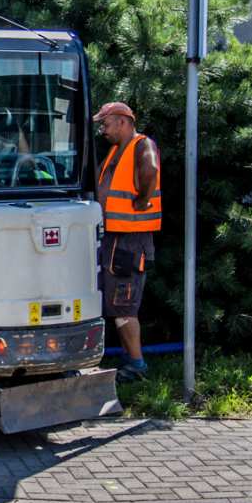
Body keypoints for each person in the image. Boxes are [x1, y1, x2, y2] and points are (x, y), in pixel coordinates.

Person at [94, 101, 161, 382]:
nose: (103, 130)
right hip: (114, 238)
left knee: (124, 305)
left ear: (122, 121)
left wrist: (143, 199)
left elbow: (151, 167)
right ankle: (128, 359)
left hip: (129, 241)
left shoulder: (141, 145)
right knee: (117, 304)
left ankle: (137, 365)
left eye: (106, 124)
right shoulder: (114, 151)